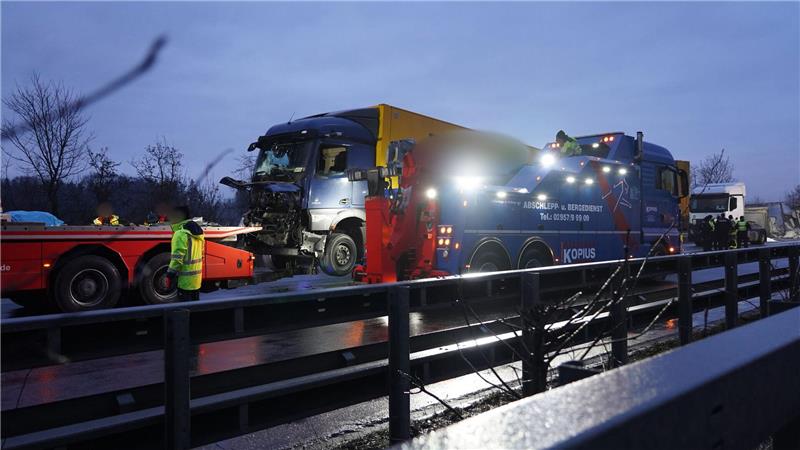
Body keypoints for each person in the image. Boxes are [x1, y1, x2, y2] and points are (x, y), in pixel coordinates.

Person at [165, 206, 205, 301]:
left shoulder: (180, 234)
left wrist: (169, 275)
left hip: (184, 283)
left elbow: (177, 259)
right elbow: (202, 255)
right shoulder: (199, 232)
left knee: (184, 312)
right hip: (196, 282)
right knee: (194, 311)